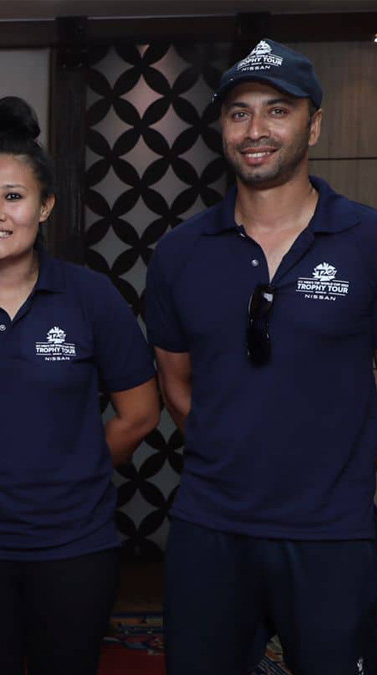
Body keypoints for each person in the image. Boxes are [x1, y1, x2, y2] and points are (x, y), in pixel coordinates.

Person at [146, 39, 377, 675]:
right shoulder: (181, 254)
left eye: (278, 110)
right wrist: (234, 451)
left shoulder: (367, 240)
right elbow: (175, 380)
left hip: (333, 531)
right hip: (210, 528)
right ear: (222, 127)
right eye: (239, 112)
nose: (256, 130)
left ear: (314, 123)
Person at [0, 97, 159, 675]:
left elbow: (140, 413)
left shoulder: (90, 298)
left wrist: (76, 466)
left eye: (14, 196)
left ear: (46, 206)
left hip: (76, 547)